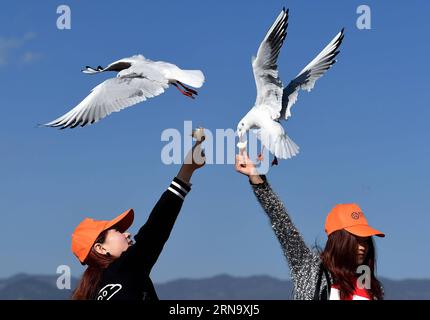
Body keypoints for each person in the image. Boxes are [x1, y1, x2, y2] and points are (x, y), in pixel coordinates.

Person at [235, 152, 385, 300]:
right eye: (356, 240)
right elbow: (282, 224)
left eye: (365, 240)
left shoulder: (372, 287)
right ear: (339, 241)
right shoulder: (309, 269)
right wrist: (255, 176)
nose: (362, 247)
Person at [71, 140, 205, 300]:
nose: (127, 234)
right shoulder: (126, 267)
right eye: (117, 231)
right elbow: (155, 229)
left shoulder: (92, 293)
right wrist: (186, 170)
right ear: (100, 248)